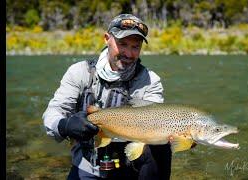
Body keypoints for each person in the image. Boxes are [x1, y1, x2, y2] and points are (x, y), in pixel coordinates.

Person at [42, 14, 172, 180]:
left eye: (135, 47)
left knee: (161, 148)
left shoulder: (150, 80)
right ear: (106, 39)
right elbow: (52, 113)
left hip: (129, 167)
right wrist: (65, 125)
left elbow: (155, 120)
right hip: (87, 167)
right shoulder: (80, 72)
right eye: (122, 44)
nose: (129, 53)